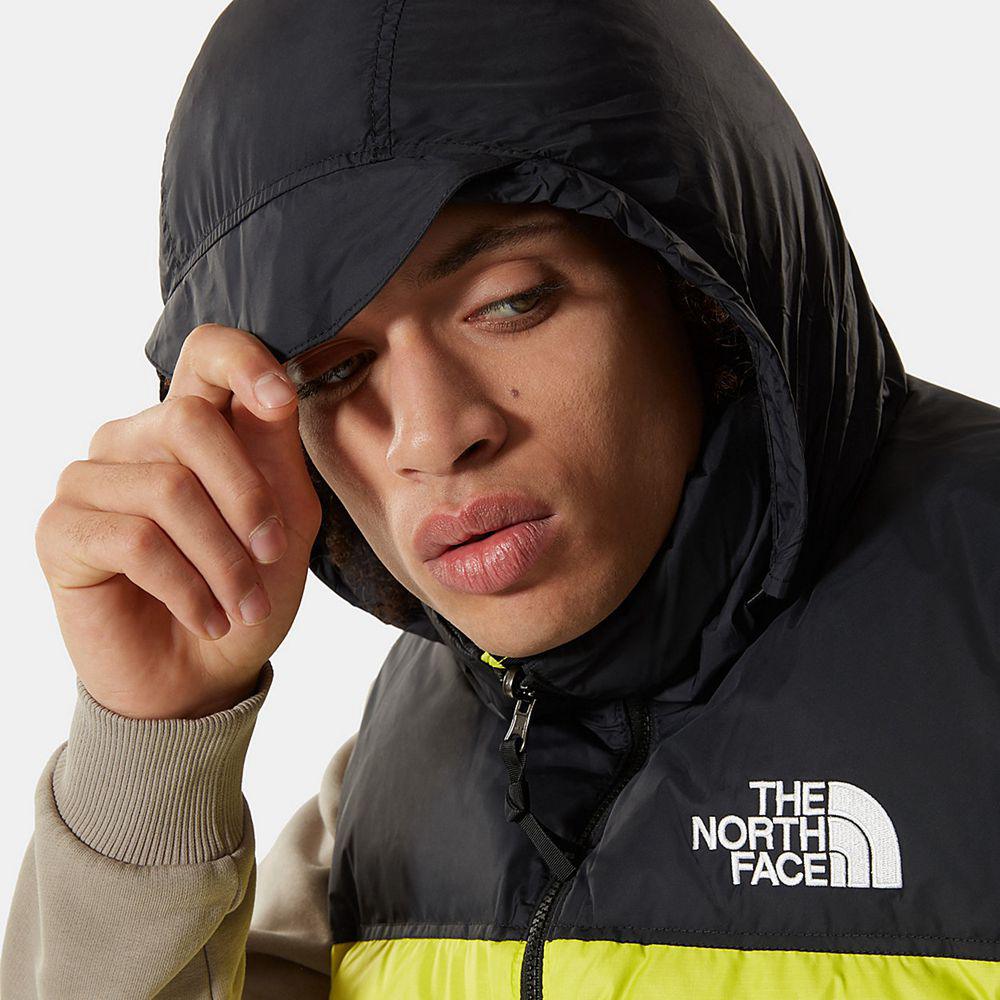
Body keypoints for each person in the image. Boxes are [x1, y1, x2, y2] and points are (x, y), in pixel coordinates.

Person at [3, 1, 998, 998]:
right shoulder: (390, 782)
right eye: (333, 370)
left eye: (512, 301)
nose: (431, 436)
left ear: (700, 292)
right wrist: (148, 746)